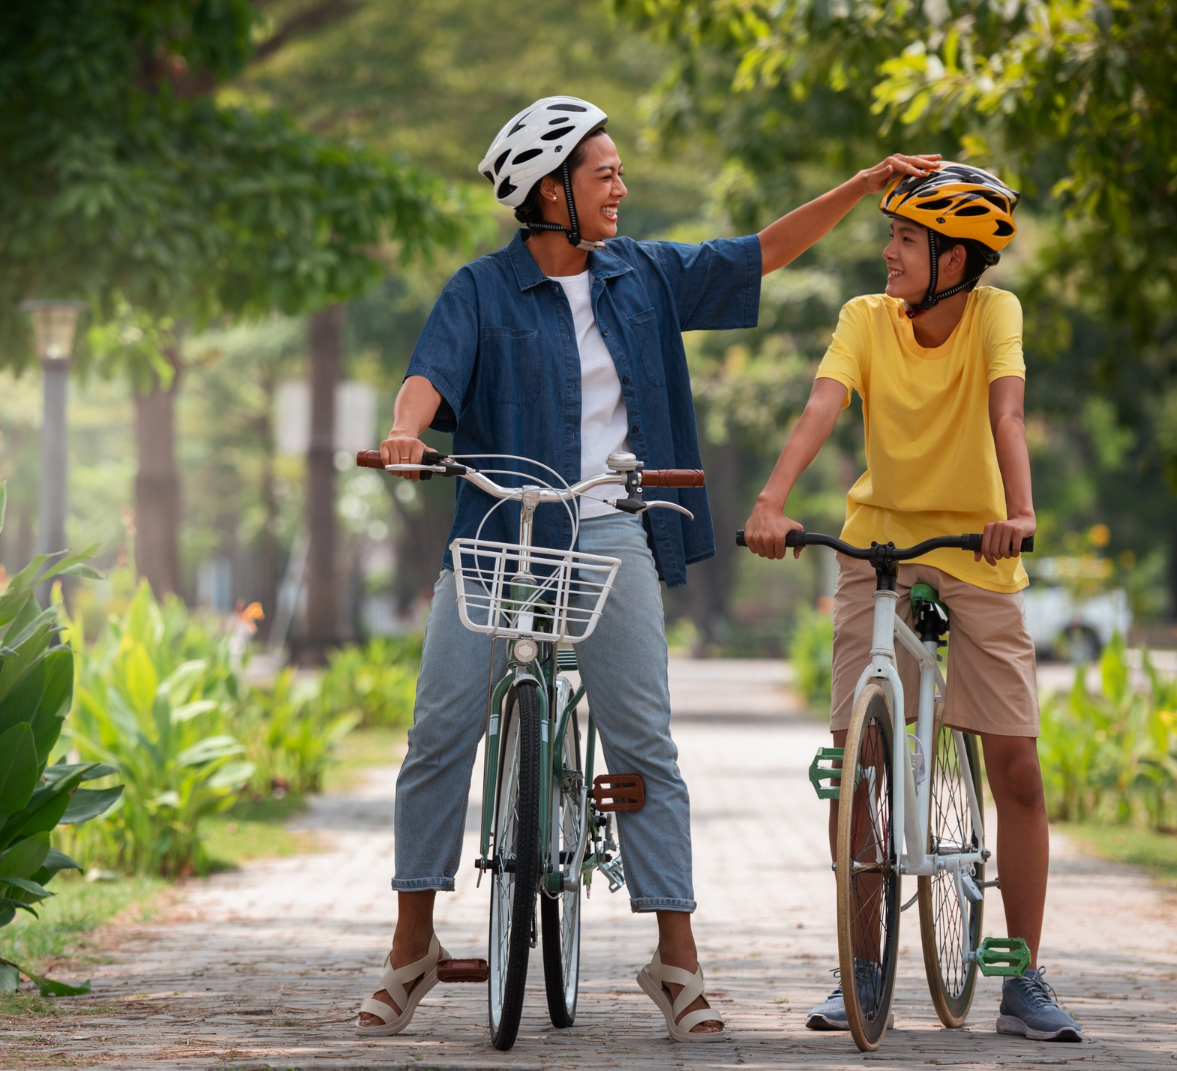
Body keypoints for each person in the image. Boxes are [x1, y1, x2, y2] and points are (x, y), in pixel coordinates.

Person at [356, 93, 938, 1042]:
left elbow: (761, 252)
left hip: (613, 527)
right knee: (438, 730)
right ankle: (412, 945)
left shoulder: (647, 275)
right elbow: (428, 375)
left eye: (619, 170)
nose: (621, 187)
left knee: (642, 742)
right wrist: (404, 432)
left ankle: (677, 959)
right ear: (551, 192)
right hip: (501, 532)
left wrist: (867, 183)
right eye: (604, 174)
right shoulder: (479, 290)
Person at [741, 163, 1083, 1043]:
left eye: (906, 239)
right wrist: (772, 503)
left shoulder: (994, 315)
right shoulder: (864, 318)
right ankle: (858, 966)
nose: (887, 252)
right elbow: (824, 405)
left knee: (1017, 767)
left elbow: (1007, 415)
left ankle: (1022, 977)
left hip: (978, 548)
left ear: (957, 260)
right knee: (860, 763)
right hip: (880, 548)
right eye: (890, 235)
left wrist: (1020, 510)